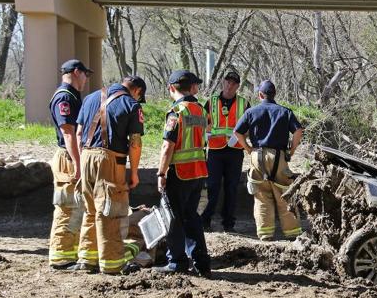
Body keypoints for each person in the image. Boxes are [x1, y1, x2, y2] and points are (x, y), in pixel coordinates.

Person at [74, 75, 146, 274]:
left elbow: (79, 133)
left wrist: (82, 163)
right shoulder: (132, 104)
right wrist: (134, 172)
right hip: (110, 159)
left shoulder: (90, 97)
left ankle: (86, 259)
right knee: (111, 212)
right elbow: (135, 143)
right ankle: (112, 263)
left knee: (90, 209)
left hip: (85, 155)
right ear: (137, 91)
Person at [155, 70, 212, 277]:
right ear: (191, 87)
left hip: (180, 172)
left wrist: (161, 173)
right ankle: (201, 262)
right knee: (192, 217)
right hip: (199, 171)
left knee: (174, 218)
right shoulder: (200, 110)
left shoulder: (177, 112)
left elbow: (167, 146)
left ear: (171, 88)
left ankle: (177, 262)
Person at [233, 80, 304, 241]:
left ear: (260, 95)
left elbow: (237, 132)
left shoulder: (251, 112)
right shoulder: (284, 111)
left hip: (257, 156)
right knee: (285, 194)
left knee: (261, 196)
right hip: (278, 156)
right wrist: (291, 151)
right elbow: (298, 130)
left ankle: (265, 234)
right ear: (275, 94)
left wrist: (248, 149)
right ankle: (292, 234)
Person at [47, 59, 87, 269]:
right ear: (76, 72)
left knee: (76, 206)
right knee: (67, 206)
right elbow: (68, 133)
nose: (86, 79)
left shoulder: (72, 96)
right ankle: (61, 257)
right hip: (68, 157)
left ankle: (69, 254)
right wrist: (78, 164)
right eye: (85, 74)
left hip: (72, 156)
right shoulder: (65, 97)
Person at [201, 70, 249, 232]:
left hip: (235, 150)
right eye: (228, 81)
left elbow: (249, 125)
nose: (230, 85)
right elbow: (202, 123)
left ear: (237, 86)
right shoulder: (211, 101)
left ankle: (228, 223)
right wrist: (205, 138)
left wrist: (242, 137)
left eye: (234, 83)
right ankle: (205, 220)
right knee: (213, 186)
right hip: (215, 150)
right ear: (223, 82)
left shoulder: (244, 103)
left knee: (232, 188)